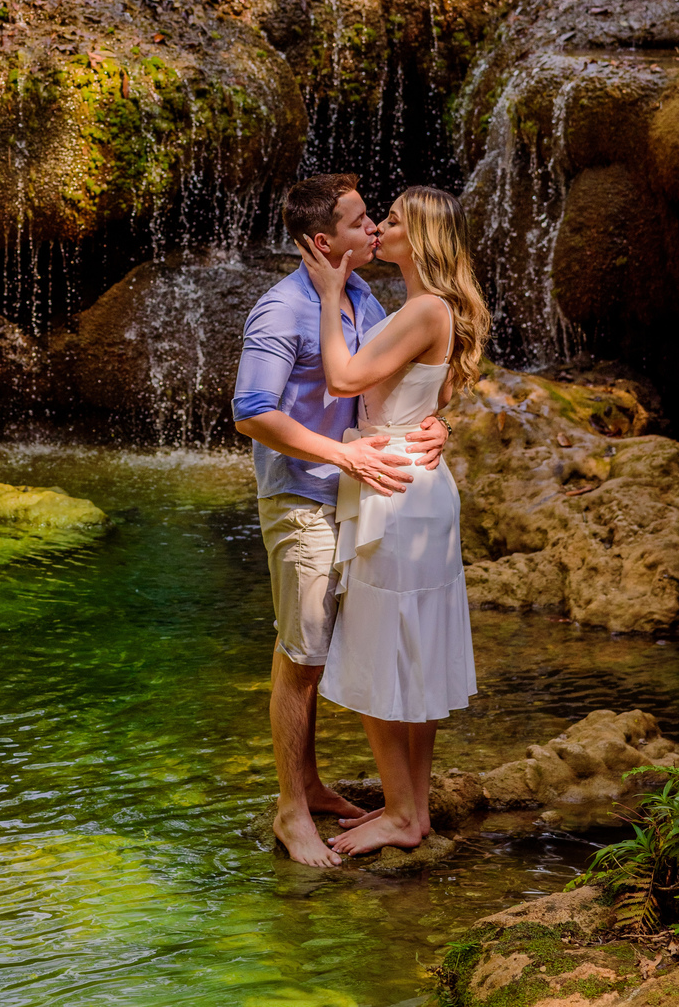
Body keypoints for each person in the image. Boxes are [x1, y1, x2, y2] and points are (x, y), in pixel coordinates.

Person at [232, 175, 450, 869]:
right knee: (305, 654)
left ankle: (314, 785)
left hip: (365, 498)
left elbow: (389, 380)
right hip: (304, 497)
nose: (375, 232)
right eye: (363, 223)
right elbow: (251, 412)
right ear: (326, 242)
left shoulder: (361, 294)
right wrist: (342, 455)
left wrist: (432, 421)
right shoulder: (279, 312)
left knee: (343, 646)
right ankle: (291, 811)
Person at [297, 184, 489, 857]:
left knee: (384, 647)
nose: (379, 227)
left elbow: (345, 379)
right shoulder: (424, 308)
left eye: (395, 221)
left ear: (424, 238)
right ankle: (415, 808)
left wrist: (327, 294)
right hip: (415, 481)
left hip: (397, 491)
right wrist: (437, 425)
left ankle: (403, 813)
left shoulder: (424, 308)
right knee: (413, 647)